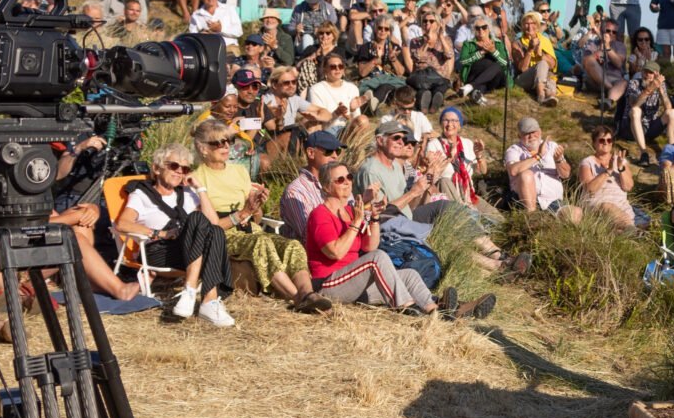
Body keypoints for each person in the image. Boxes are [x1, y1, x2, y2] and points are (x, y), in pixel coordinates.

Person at [189, 118, 329, 312]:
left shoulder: (239, 171)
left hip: (250, 229)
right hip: (222, 236)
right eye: (217, 143)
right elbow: (209, 227)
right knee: (261, 243)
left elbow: (256, 217)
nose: (225, 146)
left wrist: (256, 204)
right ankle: (298, 298)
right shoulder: (197, 178)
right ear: (203, 148)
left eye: (228, 141)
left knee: (292, 244)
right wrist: (244, 212)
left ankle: (308, 292)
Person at [115, 145, 238, 325]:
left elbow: (214, 223)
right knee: (196, 218)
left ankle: (204, 299)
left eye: (185, 169)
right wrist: (160, 233)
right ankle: (203, 298)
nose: (180, 171)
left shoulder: (187, 194)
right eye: (173, 166)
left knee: (213, 229)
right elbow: (122, 224)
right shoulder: (141, 194)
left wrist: (200, 188)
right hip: (158, 251)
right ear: (156, 168)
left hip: (185, 251)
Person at [305, 157, 438, 313]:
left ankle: (434, 310)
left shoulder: (350, 211)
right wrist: (356, 222)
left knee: (410, 275)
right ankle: (404, 308)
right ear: (326, 187)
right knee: (377, 257)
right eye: (340, 180)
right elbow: (335, 252)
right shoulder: (320, 215)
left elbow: (369, 246)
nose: (347, 182)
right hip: (328, 285)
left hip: (353, 282)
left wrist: (374, 218)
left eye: (349, 177)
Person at [505, 115, 570, 212]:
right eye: (526, 134)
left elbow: (565, 174)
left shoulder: (552, 146)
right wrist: (538, 156)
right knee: (526, 174)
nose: (531, 136)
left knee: (575, 213)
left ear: (540, 132)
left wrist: (559, 160)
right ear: (519, 136)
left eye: (533, 132)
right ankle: (531, 217)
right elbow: (513, 170)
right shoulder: (514, 150)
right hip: (525, 200)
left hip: (552, 201)